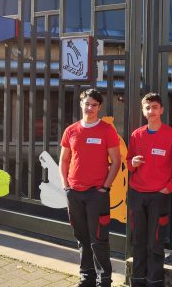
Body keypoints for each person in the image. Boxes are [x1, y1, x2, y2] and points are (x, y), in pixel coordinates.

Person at [59, 88, 121, 287]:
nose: (90, 108)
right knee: (82, 238)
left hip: (97, 194)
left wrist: (105, 187)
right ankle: (87, 277)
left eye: (94, 104)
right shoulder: (71, 130)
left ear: (99, 107)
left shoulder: (106, 130)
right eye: (87, 103)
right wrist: (66, 186)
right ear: (81, 104)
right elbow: (64, 161)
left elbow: (116, 161)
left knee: (99, 239)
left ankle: (104, 280)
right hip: (74, 192)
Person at [127, 93, 172, 287]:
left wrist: (169, 188)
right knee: (138, 241)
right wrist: (133, 162)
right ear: (143, 111)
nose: (151, 111)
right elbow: (128, 163)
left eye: (155, 107)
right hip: (138, 194)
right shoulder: (136, 134)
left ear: (161, 110)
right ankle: (137, 281)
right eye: (147, 108)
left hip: (159, 195)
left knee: (155, 243)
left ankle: (154, 282)